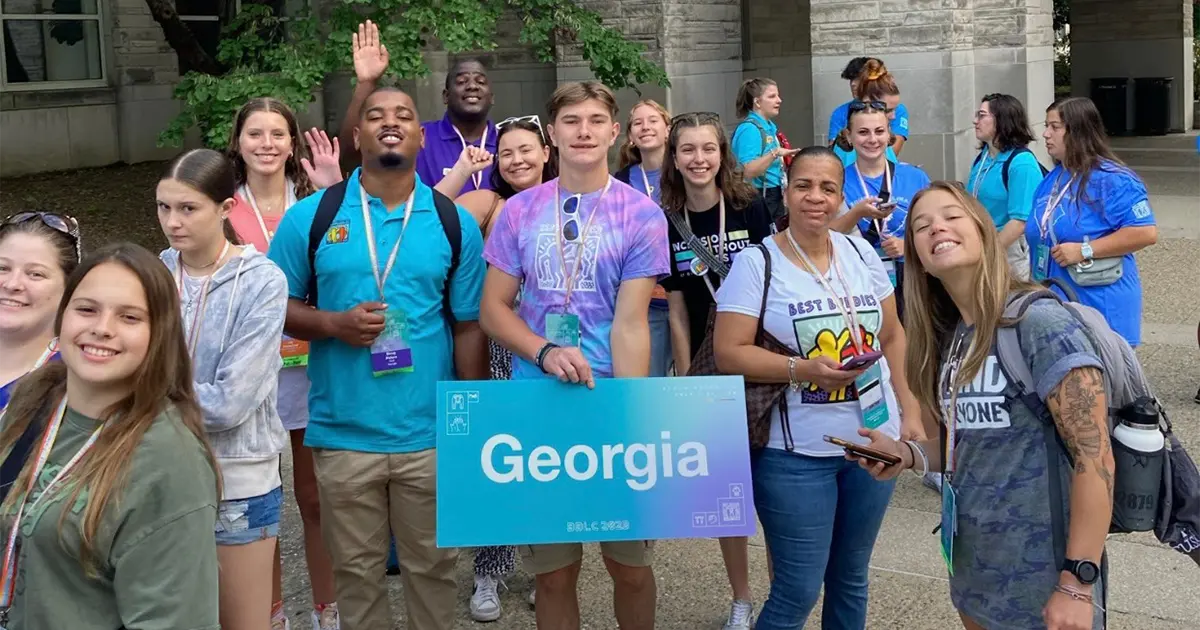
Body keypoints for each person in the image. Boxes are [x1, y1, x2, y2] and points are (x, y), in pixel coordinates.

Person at [268, 85, 489, 630]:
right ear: (357, 134)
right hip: (344, 435)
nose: (390, 123)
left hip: (428, 436)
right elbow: (274, 306)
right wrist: (331, 325)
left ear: (420, 134)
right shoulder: (310, 218)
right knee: (357, 577)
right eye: (375, 115)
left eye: (404, 116)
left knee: (433, 571)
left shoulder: (452, 221)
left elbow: (467, 326)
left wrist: (472, 417)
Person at [856, 180, 1114, 630]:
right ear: (915, 254)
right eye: (921, 225)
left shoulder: (1039, 323)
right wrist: (909, 454)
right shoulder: (953, 337)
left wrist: (1077, 583)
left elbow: (1095, 457)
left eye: (952, 217)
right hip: (975, 572)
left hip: (1045, 579)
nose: (937, 228)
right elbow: (968, 445)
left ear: (982, 231)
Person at [479, 80, 668, 630]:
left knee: (629, 565)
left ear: (614, 131)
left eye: (594, 120)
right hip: (537, 407)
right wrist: (542, 352)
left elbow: (632, 324)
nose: (583, 131)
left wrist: (624, 411)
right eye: (570, 121)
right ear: (553, 134)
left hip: (607, 401)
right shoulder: (519, 212)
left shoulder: (640, 215)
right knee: (553, 573)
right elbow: (493, 309)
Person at [712, 146, 922, 629]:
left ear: (840, 195)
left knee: (851, 577)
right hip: (796, 454)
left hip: (874, 441)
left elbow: (891, 334)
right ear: (785, 192)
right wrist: (804, 370)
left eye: (828, 188)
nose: (816, 197)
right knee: (798, 588)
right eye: (804, 185)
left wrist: (909, 409)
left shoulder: (859, 251)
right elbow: (730, 352)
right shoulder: (756, 263)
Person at [0, 242, 221, 630]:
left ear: (160, 333)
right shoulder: (34, 399)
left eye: (129, 317)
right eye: (87, 309)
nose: (102, 328)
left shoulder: (169, 462)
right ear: (62, 317)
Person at [157, 148, 290, 630]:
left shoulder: (262, 282)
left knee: (240, 621)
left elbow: (232, 403)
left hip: (237, 478)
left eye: (188, 208)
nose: (173, 222)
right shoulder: (156, 273)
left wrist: (148, 396)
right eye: (163, 207)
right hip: (162, 470)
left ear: (226, 208)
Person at [224, 97, 343, 630]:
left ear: (293, 143)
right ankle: (269, 613)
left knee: (314, 496)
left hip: (311, 365)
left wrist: (335, 186)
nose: (267, 143)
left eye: (277, 133)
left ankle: (327, 606)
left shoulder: (317, 200)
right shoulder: (220, 207)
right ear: (238, 142)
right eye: (256, 133)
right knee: (258, 501)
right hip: (251, 372)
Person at [658, 111, 774, 630]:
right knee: (730, 489)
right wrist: (686, 377)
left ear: (722, 154)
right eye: (688, 150)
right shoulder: (667, 219)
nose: (699, 159)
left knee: (776, 486)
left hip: (761, 355)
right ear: (674, 157)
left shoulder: (752, 207)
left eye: (708, 148)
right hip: (709, 364)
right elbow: (678, 306)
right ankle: (741, 598)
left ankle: (782, 595)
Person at [450, 114, 555, 621]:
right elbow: (426, 218)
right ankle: (489, 570)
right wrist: (458, 170)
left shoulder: (566, 202)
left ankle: (544, 566)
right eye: (507, 151)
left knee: (550, 459)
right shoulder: (487, 203)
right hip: (499, 342)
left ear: (546, 152)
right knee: (499, 456)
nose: (517, 159)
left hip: (555, 342)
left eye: (526, 149)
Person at [1027, 97, 1158, 346]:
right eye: (1046, 126)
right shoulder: (1052, 179)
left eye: (1054, 127)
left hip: (1100, 304)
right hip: (1057, 303)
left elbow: (1145, 232)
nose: (1045, 134)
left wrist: (1084, 250)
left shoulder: (1112, 179)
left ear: (1077, 131)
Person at [339, 21, 498, 195]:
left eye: (480, 82)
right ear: (445, 96)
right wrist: (366, 83)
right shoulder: (418, 136)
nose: (472, 86)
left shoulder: (506, 140)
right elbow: (350, 156)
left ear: (492, 98)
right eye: (461, 82)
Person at [0, 212, 80, 503]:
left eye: (35, 274)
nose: (12, 284)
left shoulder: (79, 385)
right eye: (2, 268)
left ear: (68, 288)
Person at [832, 102, 931, 315]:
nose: (872, 139)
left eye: (879, 131)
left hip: (910, 278)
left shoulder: (915, 178)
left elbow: (934, 228)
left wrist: (908, 245)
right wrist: (856, 213)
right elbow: (826, 234)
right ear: (849, 136)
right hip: (856, 279)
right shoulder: (836, 180)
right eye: (863, 132)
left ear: (889, 135)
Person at [614, 99, 673, 377]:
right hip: (647, 302)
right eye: (638, 122)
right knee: (653, 378)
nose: (645, 127)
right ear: (630, 136)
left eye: (652, 120)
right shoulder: (621, 180)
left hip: (687, 294)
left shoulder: (687, 173)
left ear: (668, 129)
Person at [966, 93, 1045, 282]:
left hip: (1008, 251)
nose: (975, 121)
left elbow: (1020, 221)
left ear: (1001, 120)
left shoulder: (1022, 163)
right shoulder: (983, 157)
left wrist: (988, 254)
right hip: (982, 246)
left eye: (982, 115)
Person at [732, 78, 799, 221]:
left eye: (778, 95)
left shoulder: (768, 127)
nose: (779, 100)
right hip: (760, 195)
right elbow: (748, 171)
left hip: (774, 193)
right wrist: (775, 153)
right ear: (757, 102)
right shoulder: (749, 129)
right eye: (772, 96)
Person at [828, 57, 909, 162]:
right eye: (862, 132)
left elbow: (891, 157)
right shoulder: (839, 114)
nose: (853, 84)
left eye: (858, 78)